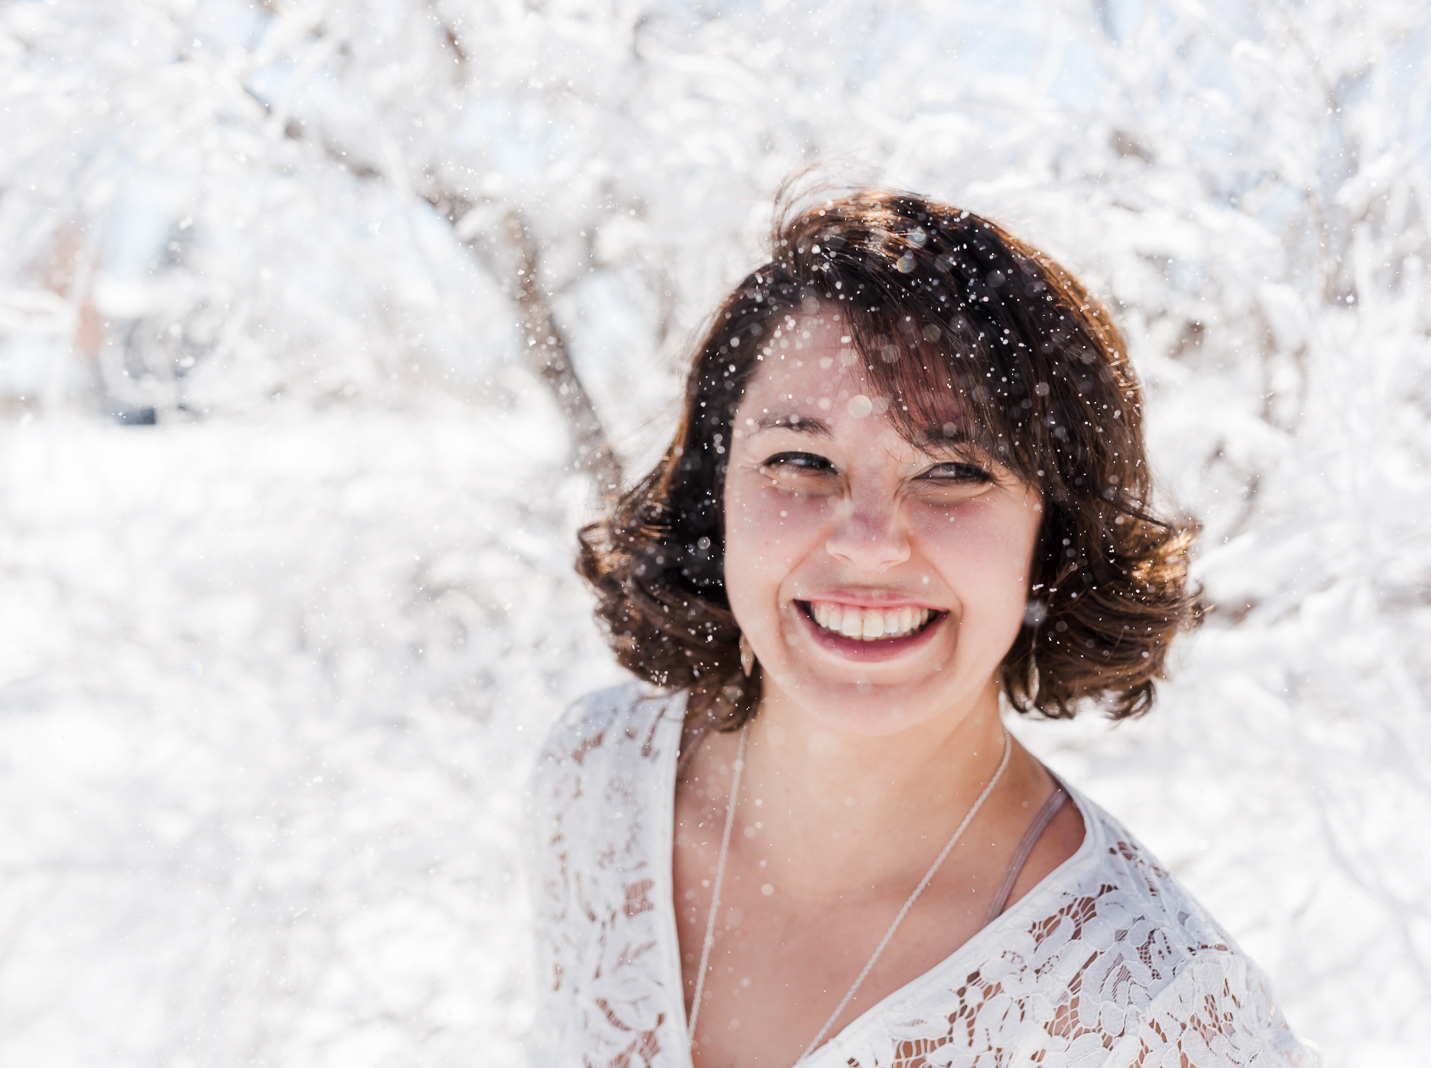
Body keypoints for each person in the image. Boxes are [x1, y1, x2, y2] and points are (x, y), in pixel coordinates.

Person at [527, 187, 1318, 1068]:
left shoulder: (1149, 1011)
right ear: (720, 500)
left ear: (1049, 533)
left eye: (951, 470)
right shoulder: (596, 782)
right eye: (800, 460)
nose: (868, 543)